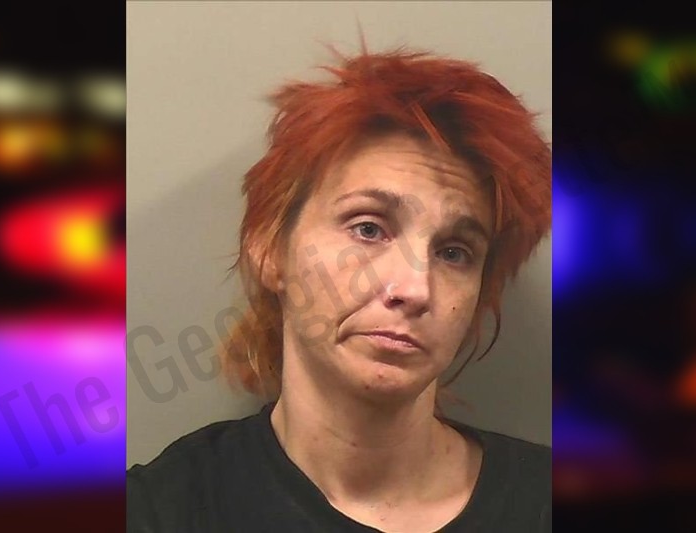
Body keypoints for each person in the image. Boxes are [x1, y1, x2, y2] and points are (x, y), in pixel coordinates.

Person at [127, 44, 551, 532]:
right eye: (368, 229)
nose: (414, 288)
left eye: (454, 253)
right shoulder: (162, 510)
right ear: (270, 248)